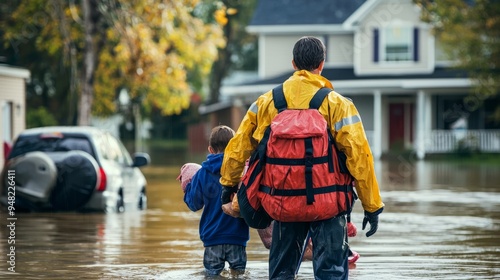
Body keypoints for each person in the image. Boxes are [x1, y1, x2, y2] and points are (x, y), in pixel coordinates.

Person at [219, 36, 384, 279]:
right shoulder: (337, 104)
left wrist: (228, 185)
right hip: (329, 206)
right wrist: (372, 206)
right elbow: (360, 158)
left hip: (282, 204)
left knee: (281, 274)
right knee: (331, 274)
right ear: (322, 64)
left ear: (294, 64)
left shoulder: (266, 102)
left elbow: (238, 147)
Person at [181, 125, 250, 277]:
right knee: (238, 275)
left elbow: (194, 204)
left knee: (212, 275)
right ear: (234, 145)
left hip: (212, 238)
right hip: (237, 237)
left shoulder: (202, 174)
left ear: (210, 149)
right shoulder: (242, 170)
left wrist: (187, 189)